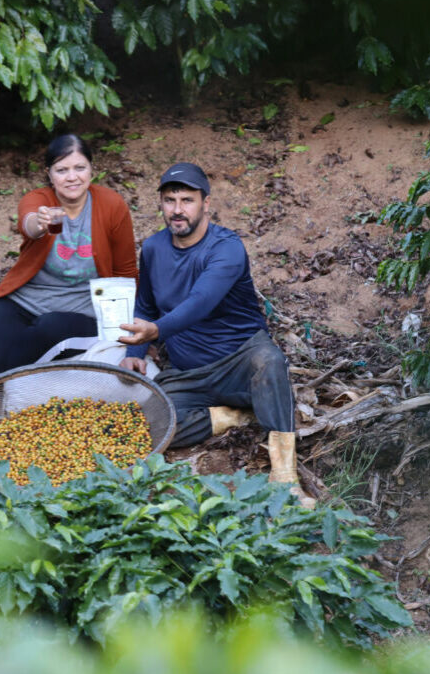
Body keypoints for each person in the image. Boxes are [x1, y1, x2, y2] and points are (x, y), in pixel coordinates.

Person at [118, 162, 314, 508]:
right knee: (145, 426)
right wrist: (139, 348)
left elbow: (201, 302)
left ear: (206, 203)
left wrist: (158, 329)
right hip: (187, 370)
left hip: (239, 359)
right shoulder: (153, 249)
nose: (178, 210)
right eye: (169, 200)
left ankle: (285, 476)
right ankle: (234, 415)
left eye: (187, 200)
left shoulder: (226, 248)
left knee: (269, 361)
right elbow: (146, 304)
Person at [0, 133, 138, 384]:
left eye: (80, 168)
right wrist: (41, 222)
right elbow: (29, 223)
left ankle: (3, 383)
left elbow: (126, 271)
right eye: (62, 170)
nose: (72, 177)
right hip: (25, 301)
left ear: (91, 170)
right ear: (49, 174)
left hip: (81, 310)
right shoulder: (39, 200)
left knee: (42, 335)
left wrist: (135, 335)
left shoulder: (111, 205)